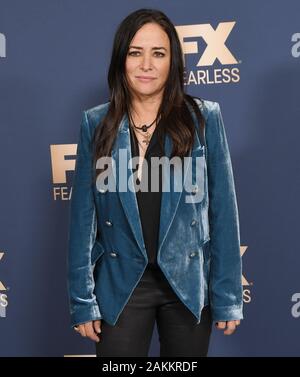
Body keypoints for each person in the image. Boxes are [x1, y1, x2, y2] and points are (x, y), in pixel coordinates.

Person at [67, 8, 243, 357]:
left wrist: (227, 297)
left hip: (187, 283)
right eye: (136, 52)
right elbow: (83, 220)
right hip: (122, 285)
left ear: (172, 62)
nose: (146, 64)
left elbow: (224, 211)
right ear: (121, 60)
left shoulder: (202, 118)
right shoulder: (96, 123)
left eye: (158, 53)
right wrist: (82, 301)